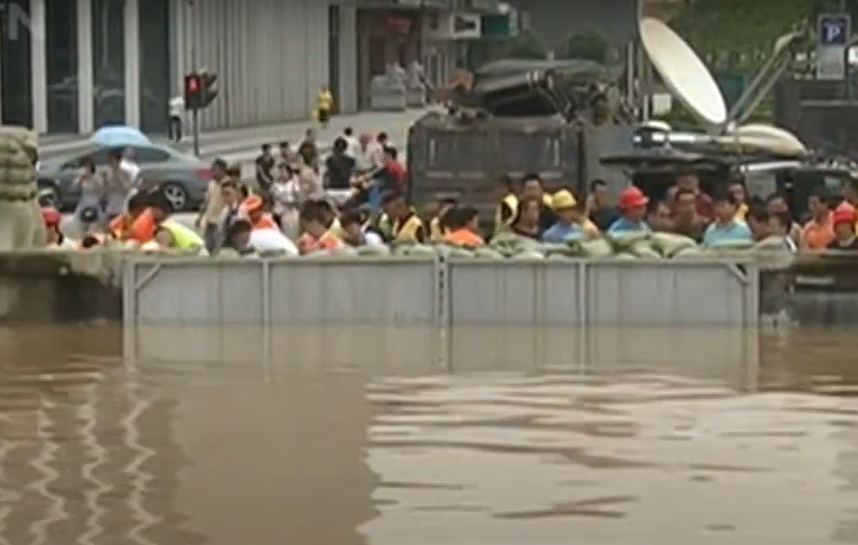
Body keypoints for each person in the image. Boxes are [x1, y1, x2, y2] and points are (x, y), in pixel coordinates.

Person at [195, 158, 230, 253]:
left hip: (221, 222)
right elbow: (206, 201)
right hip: (210, 220)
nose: (212, 172)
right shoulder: (212, 184)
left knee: (218, 246)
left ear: (222, 170)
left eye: (215, 169)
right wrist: (200, 217)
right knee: (208, 245)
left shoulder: (228, 184)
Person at [72, 156, 103, 234]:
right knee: (80, 228)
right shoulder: (81, 178)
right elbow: (73, 188)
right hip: (83, 205)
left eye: (87, 167)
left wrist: (91, 179)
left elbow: (101, 188)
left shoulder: (96, 178)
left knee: (92, 230)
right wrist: (80, 179)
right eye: (83, 167)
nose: (85, 169)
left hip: (94, 205)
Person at [102, 148, 135, 220]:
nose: (110, 163)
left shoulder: (125, 173)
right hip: (110, 208)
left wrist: (117, 175)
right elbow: (105, 193)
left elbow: (126, 189)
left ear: (118, 161)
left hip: (121, 208)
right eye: (109, 161)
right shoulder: (107, 173)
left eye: (112, 160)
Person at [800, 187, 835, 251]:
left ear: (825, 204)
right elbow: (804, 250)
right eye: (809, 204)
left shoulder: (837, 222)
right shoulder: (807, 228)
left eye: (814, 204)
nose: (811, 208)